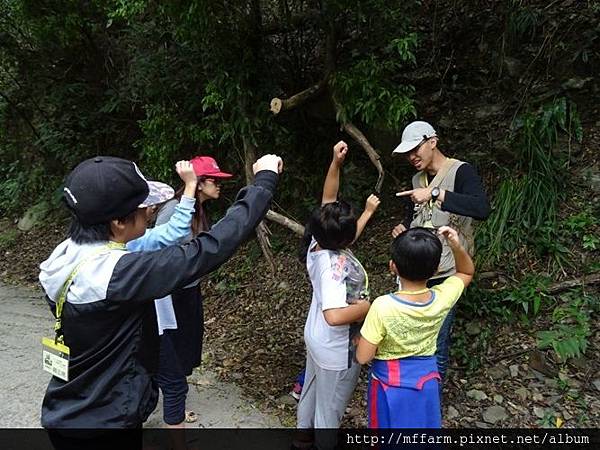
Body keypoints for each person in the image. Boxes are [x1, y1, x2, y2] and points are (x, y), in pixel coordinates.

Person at [38, 154, 282, 448]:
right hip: (105, 423)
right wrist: (263, 182)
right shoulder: (119, 275)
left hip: (66, 410)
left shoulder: (65, 255)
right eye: (144, 207)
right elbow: (209, 249)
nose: (151, 210)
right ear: (117, 222)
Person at [392, 120, 490, 393]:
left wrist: (436, 193)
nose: (412, 157)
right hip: (415, 273)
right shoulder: (416, 180)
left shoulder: (461, 171)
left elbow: (481, 208)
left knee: (437, 342)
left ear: (432, 141)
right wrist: (402, 229)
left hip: (448, 273)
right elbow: (414, 218)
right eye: (407, 153)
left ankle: (429, 406)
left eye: (416, 149)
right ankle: (411, 392)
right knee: (410, 338)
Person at [294, 140, 378, 450]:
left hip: (315, 337)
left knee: (312, 391)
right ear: (344, 238)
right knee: (329, 411)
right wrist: (369, 307)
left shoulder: (318, 243)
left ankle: (302, 438)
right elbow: (334, 315)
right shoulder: (333, 269)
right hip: (336, 348)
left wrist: (335, 163)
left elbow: (328, 200)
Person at [356, 226, 475, 428]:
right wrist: (456, 245)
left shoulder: (383, 306)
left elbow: (363, 357)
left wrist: (359, 339)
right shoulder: (442, 297)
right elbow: (465, 271)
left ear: (393, 266)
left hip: (389, 383)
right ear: (437, 269)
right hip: (426, 378)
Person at [150, 156, 234, 429]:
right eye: (214, 181)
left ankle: (174, 400)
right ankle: (171, 404)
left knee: (187, 343)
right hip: (169, 293)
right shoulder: (174, 209)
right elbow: (158, 249)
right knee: (171, 347)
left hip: (189, 289)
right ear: (198, 184)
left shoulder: (198, 210)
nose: (219, 185)